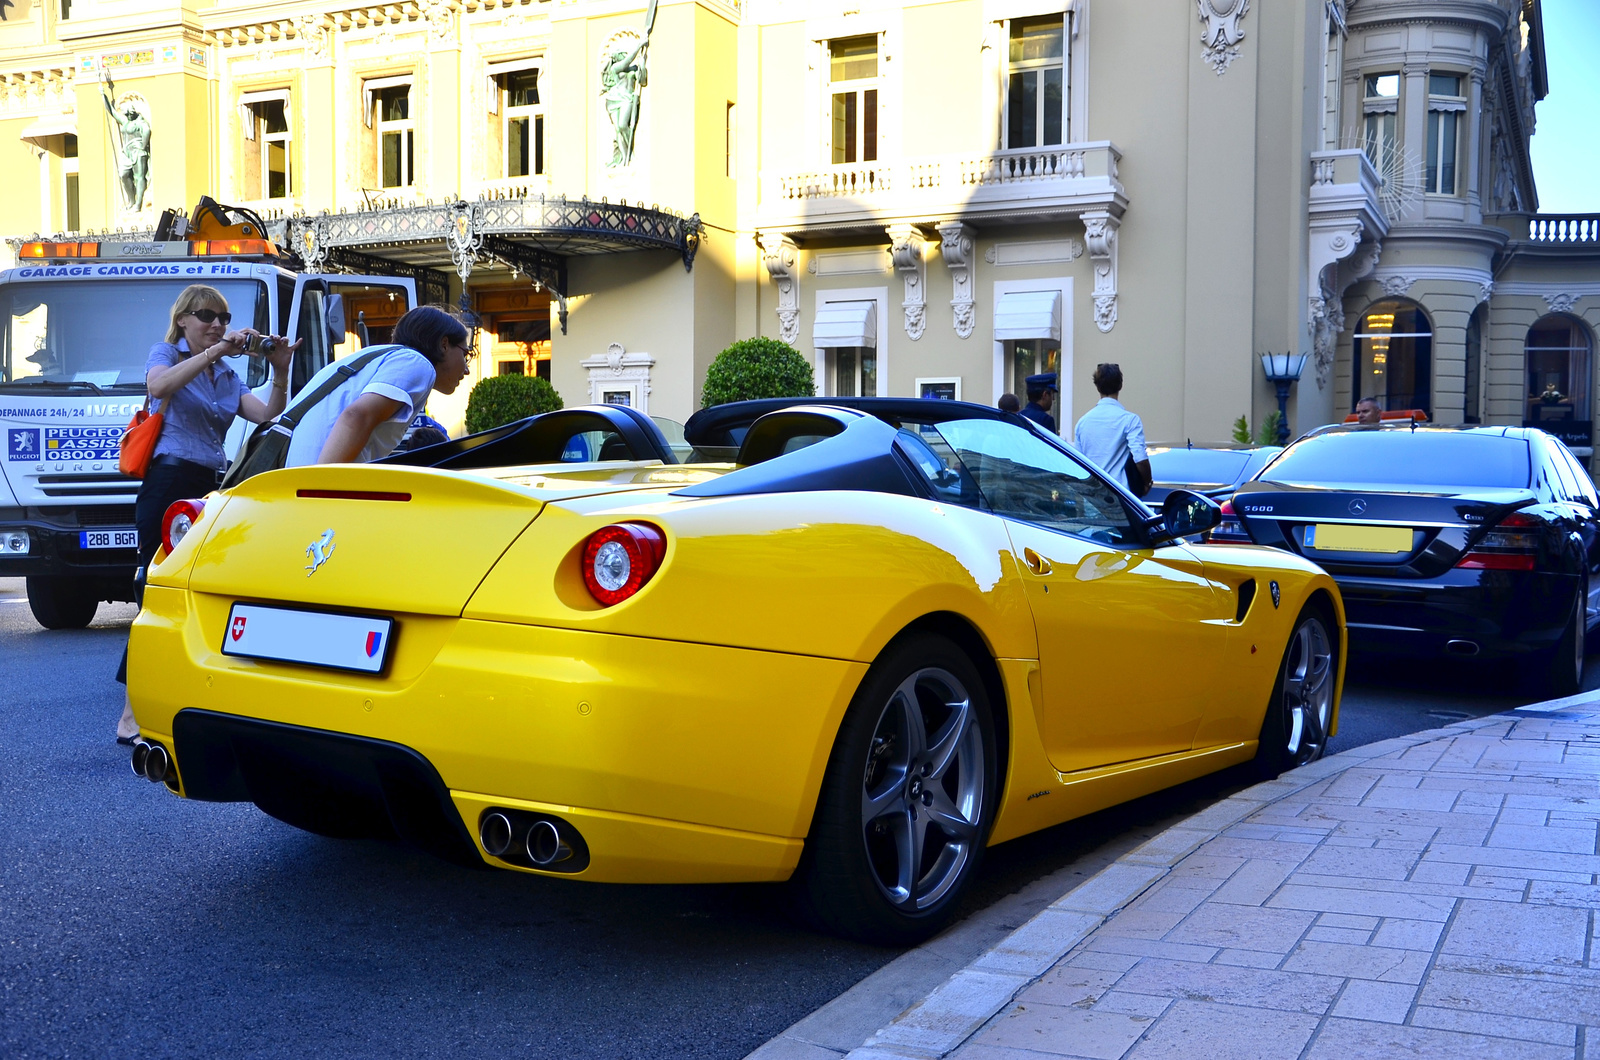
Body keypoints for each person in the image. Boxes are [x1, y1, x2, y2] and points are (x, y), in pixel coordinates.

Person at [116, 285, 298, 741]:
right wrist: (216, 350)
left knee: (198, 595)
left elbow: (269, 415)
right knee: (155, 594)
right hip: (168, 483)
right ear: (183, 320)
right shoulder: (168, 353)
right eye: (205, 316)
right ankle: (132, 712)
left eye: (223, 317)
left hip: (209, 489)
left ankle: (191, 702)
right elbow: (159, 386)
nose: (216, 323)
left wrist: (280, 369)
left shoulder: (224, 375)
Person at [283, 306, 470, 467]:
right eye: (466, 354)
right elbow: (357, 416)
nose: (467, 368)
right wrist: (317, 489)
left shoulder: (373, 357)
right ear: (444, 344)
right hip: (307, 487)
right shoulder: (418, 364)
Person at [1073, 362, 1150, 494]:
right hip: (1121, 495)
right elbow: (1140, 459)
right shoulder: (1130, 420)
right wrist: (1147, 482)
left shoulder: (1082, 423)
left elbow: (1078, 465)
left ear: (1097, 387)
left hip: (1092, 496)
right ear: (1120, 385)